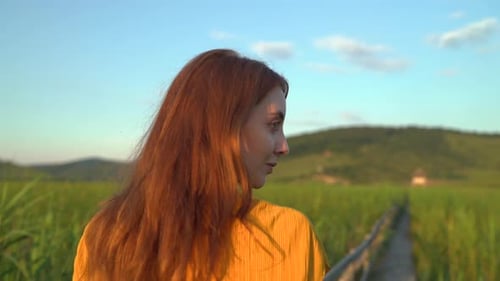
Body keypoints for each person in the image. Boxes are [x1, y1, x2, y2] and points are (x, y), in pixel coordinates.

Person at [72, 49, 327, 281]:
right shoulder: (286, 235)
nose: (284, 146)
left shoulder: (107, 234)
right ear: (224, 128)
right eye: (273, 125)